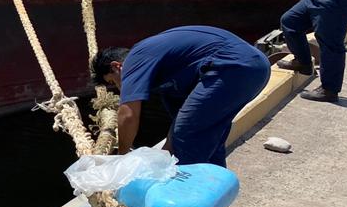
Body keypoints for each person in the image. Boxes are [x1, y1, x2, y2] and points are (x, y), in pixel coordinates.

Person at [92, 25, 271, 166]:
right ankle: (214, 202)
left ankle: (189, 205)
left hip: (233, 66)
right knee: (209, 138)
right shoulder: (168, 80)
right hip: (256, 67)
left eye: (113, 81)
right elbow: (179, 122)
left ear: (116, 66)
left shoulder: (134, 59)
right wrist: (164, 154)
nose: (118, 87)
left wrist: (122, 155)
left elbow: (128, 114)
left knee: (188, 136)